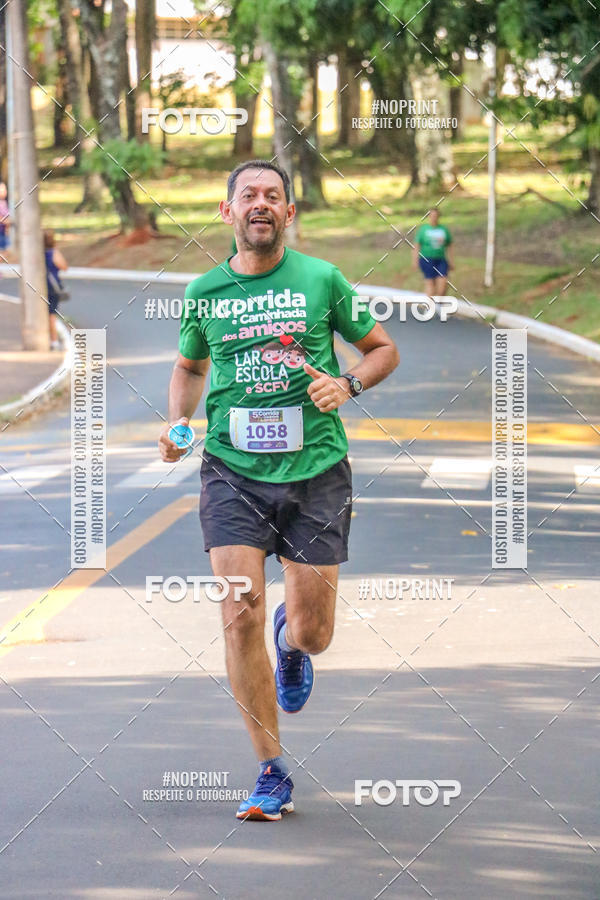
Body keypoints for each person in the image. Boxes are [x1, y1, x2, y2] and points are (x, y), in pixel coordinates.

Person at [158, 160, 399, 821]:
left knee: (316, 632)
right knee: (237, 615)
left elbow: (382, 349)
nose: (260, 203)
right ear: (227, 211)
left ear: (289, 213)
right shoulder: (205, 291)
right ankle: (271, 770)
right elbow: (190, 367)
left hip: (316, 471)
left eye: (273, 196)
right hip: (231, 471)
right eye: (248, 195)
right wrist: (178, 423)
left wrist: (347, 383)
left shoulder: (322, 279)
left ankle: (291, 642)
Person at [413, 208, 453, 297]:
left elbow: (450, 246)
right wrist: (415, 261)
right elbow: (416, 246)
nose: (434, 218)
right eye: (432, 216)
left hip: (440, 259)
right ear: (429, 217)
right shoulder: (424, 229)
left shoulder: (443, 230)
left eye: (436, 216)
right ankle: (430, 303)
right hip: (426, 259)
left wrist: (451, 261)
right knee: (430, 284)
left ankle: (438, 301)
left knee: (443, 284)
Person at [44, 230, 68, 350]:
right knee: (51, 315)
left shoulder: (36, 253)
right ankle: (53, 340)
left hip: (39, 286)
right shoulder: (53, 253)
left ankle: (49, 338)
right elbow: (64, 266)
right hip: (52, 287)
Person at [0, 182, 11, 255]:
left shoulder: (5, 203)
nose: (3, 192)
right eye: (1, 191)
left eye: (4, 190)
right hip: (0, 232)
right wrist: (6, 221)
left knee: (6, 251)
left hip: (5, 231)